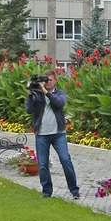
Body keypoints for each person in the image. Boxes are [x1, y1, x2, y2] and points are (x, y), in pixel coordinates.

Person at [25, 69, 80, 199]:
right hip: (42, 134)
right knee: (43, 164)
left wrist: (46, 92)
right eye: (45, 80)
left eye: (49, 80)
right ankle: (47, 192)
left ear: (55, 80)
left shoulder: (60, 93)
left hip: (58, 134)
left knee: (66, 160)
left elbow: (59, 103)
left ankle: (74, 190)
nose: (47, 83)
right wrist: (30, 94)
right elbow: (28, 110)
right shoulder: (37, 95)